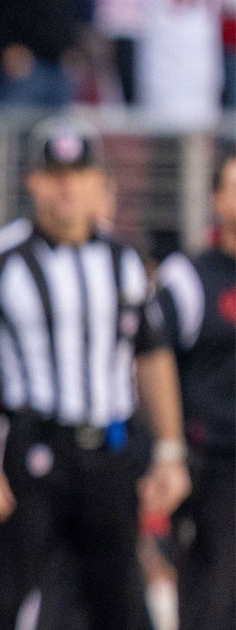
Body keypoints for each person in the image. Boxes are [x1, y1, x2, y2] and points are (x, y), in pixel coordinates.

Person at [0, 116, 191, 630]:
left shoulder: (126, 261)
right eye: (54, 173)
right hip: (34, 448)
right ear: (32, 180)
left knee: (121, 603)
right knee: (6, 601)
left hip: (110, 450)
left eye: (78, 173)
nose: (66, 186)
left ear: (99, 182)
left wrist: (170, 449)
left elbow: (150, 354)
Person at [157, 153, 235, 630]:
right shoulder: (186, 278)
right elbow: (150, 365)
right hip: (214, 467)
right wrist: (168, 453)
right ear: (215, 199)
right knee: (212, 605)